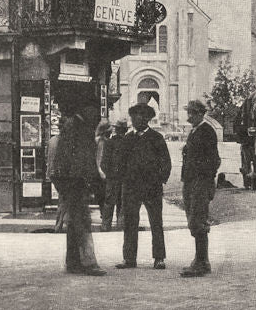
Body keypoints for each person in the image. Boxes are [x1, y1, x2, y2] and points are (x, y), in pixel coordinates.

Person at [49, 100, 105, 276]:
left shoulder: (69, 129)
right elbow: (85, 160)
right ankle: (89, 262)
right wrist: (95, 185)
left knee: (74, 223)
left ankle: (72, 262)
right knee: (82, 222)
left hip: (68, 182)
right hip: (77, 182)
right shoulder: (82, 130)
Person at [116, 103, 172, 269]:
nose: (134, 119)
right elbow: (120, 162)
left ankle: (159, 258)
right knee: (130, 222)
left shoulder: (156, 138)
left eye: (138, 116)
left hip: (151, 188)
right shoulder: (128, 138)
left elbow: (166, 163)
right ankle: (129, 259)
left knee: (156, 222)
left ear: (147, 118)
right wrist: (124, 179)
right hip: (131, 188)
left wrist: (159, 180)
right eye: (132, 116)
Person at [180, 99, 220, 277]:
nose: (189, 116)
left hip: (200, 182)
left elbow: (213, 160)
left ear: (201, 114)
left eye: (192, 113)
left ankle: (202, 262)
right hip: (191, 181)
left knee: (198, 220)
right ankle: (199, 259)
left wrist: (203, 179)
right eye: (189, 112)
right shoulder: (195, 131)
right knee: (193, 219)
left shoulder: (206, 131)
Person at [100, 120, 127, 231]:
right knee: (123, 202)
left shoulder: (109, 143)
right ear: (125, 130)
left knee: (109, 202)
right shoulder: (128, 143)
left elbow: (103, 163)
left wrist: (109, 174)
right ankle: (121, 225)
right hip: (124, 178)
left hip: (112, 178)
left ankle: (106, 225)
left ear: (116, 129)